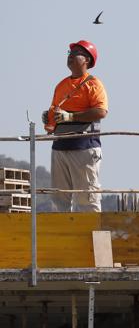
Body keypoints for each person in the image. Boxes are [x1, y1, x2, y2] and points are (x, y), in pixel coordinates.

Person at [43, 40, 108, 212]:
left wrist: (71, 116)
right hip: (60, 147)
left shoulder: (93, 84)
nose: (70, 56)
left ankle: (90, 234)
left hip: (84, 147)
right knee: (59, 199)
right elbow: (54, 115)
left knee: (87, 197)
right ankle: (63, 237)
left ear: (87, 60)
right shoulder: (61, 85)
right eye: (69, 53)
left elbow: (101, 111)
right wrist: (49, 120)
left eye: (75, 53)